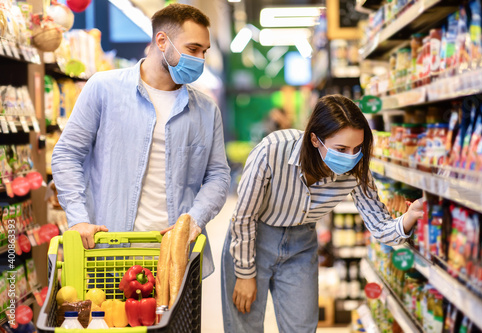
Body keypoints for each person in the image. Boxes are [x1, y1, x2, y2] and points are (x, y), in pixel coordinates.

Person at [51, 4, 230, 278]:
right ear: (162, 41)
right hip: (109, 252)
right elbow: (67, 154)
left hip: (177, 257)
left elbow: (218, 175)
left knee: (174, 323)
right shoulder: (104, 89)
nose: (200, 59)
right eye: (193, 49)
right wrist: (78, 219)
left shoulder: (206, 110)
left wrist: (195, 218)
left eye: (203, 52)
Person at [221, 95, 424, 332]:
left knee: (303, 327)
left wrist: (411, 216)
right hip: (253, 239)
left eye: (357, 148)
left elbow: (380, 226)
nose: (350, 157)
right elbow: (244, 216)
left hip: (301, 245)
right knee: (244, 326)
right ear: (315, 139)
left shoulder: (357, 170)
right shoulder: (272, 150)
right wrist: (244, 273)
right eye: (341, 148)